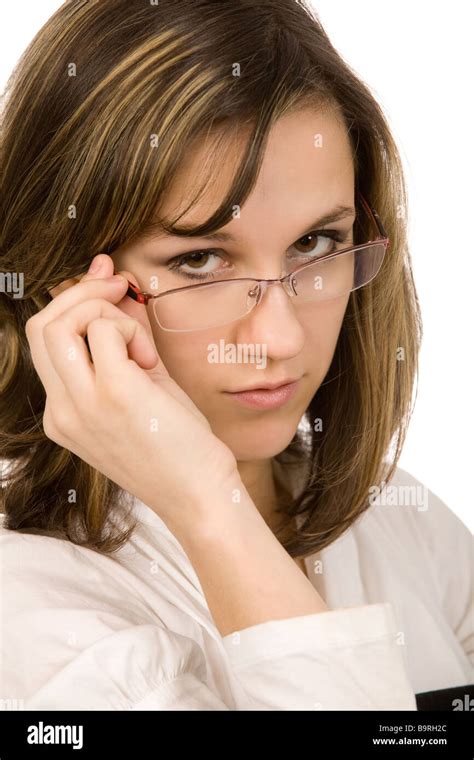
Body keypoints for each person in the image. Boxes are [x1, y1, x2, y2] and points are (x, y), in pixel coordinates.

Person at [0, 0, 472, 710]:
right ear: (68, 280)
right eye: (200, 259)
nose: (281, 339)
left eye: (315, 244)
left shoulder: (406, 523)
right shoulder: (27, 611)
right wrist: (209, 506)